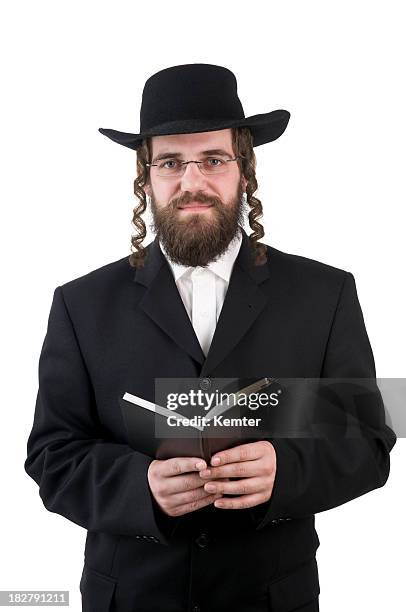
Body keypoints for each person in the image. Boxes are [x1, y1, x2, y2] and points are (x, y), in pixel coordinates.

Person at [24, 63, 396, 612]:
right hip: (129, 599)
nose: (191, 182)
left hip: (273, 599)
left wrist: (286, 472)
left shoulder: (326, 294)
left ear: (244, 171)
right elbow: (52, 455)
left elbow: (368, 440)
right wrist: (140, 488)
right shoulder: (79, 305)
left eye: (213, 160)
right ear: (145, 176)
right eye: (171, 162)